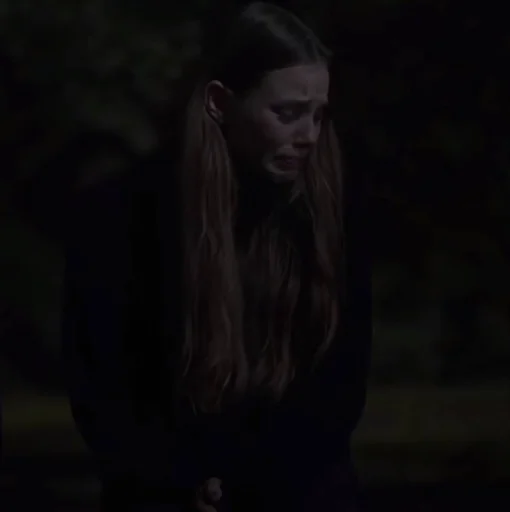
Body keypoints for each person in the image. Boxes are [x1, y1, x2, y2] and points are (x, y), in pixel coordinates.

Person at [62, 2, 371, 511]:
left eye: (318, 114)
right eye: (287, 113)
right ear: (219, 102)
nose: (309, 135)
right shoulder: (125, 213)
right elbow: (103, 380)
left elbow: (340, 376)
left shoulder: (327, 209)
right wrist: (176, 477)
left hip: (299, 484)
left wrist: (264, 475)